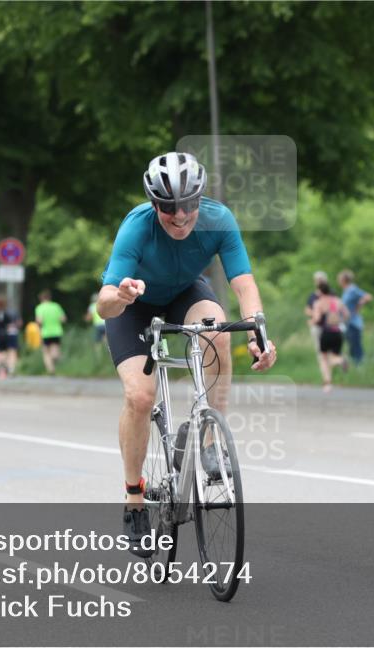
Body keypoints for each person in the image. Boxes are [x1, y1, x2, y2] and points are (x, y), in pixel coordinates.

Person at [97, 151, 277, 554]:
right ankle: (134, 498)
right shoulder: (136, 227)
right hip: (134, 303)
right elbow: (103, 304)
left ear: (200, 198)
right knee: (140, 396)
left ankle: (210, 440)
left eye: (189, 206)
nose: (180, 217)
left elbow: (243, 284)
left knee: (218, 332)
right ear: (153, 203)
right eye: (168, 208)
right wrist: (121, 295)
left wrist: (259, 334)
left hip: (184, 292)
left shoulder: (219, 219)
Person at [309, 283, 350, 392]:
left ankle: (327, 383)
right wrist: (339, 321)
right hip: (338, 333)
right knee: (333, 357)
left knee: (323, 359)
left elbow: (317, 319)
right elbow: (347, 314)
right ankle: (340, 360)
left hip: (326, 333)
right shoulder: (338, 301)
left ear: (320, 291)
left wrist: (310, 321)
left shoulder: (319, 302)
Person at [337, 269, 373, 365]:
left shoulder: (352, 289)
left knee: (355, 346)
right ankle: (353, 366)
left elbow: (368, 296)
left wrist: (360, 304)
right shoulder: (346, 291)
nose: (338, 281)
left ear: (344, 280)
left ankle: (360, 366)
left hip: (354, 323)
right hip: (346, 323)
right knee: (350, 346)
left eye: (339, 279)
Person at [35, 289, 67, 375]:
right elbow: (63, 319)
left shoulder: (40, 307)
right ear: (49, 298)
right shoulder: (56, 306)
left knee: (46, 352)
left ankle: (50, 369)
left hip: (45, 332)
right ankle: (54, 363)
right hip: (57, 331)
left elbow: (39, 321)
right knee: (55, 352)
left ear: (41, 298)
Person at [304, 271, 329, 351]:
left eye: (320, 280)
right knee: (319, 349)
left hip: (329, 326)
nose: (319, 282)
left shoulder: (330, 294)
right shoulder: (313, 296)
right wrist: (315, 313)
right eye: (317, 280)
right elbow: (307, 310)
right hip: (317, 326)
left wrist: (316, 316)